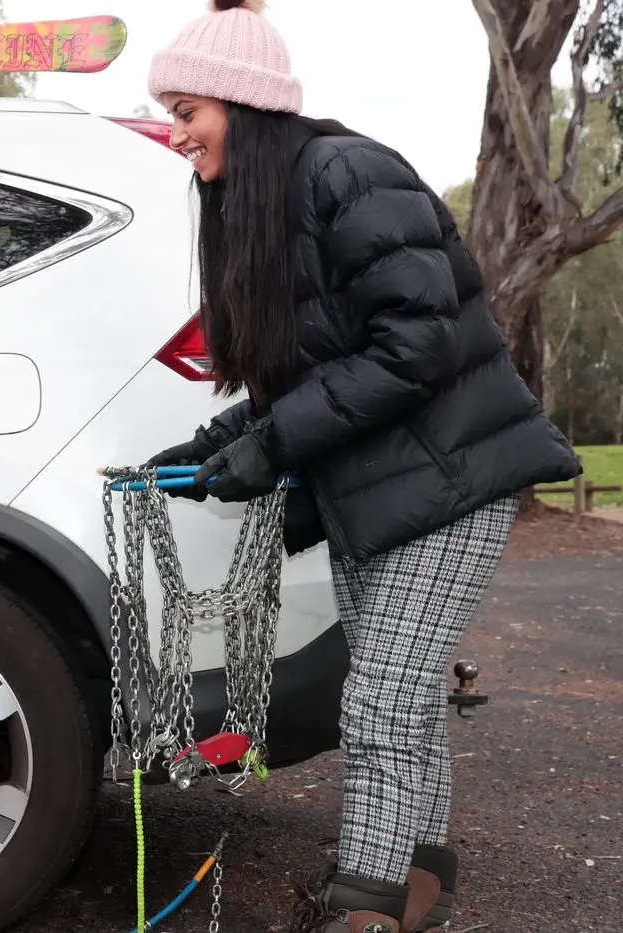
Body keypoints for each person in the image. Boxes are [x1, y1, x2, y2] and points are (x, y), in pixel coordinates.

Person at [143, 2, 581, 932]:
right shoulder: (260, 202)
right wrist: (215, 446)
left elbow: (414, 345)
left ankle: (366, 904)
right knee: (406, 697)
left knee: (379, 695)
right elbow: (303, 376)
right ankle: (419, 874)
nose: (176, 132)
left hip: (454, 487)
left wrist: (272, 446)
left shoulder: (349, 172)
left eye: (187, 111)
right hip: (376, 495)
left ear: (243, 102)